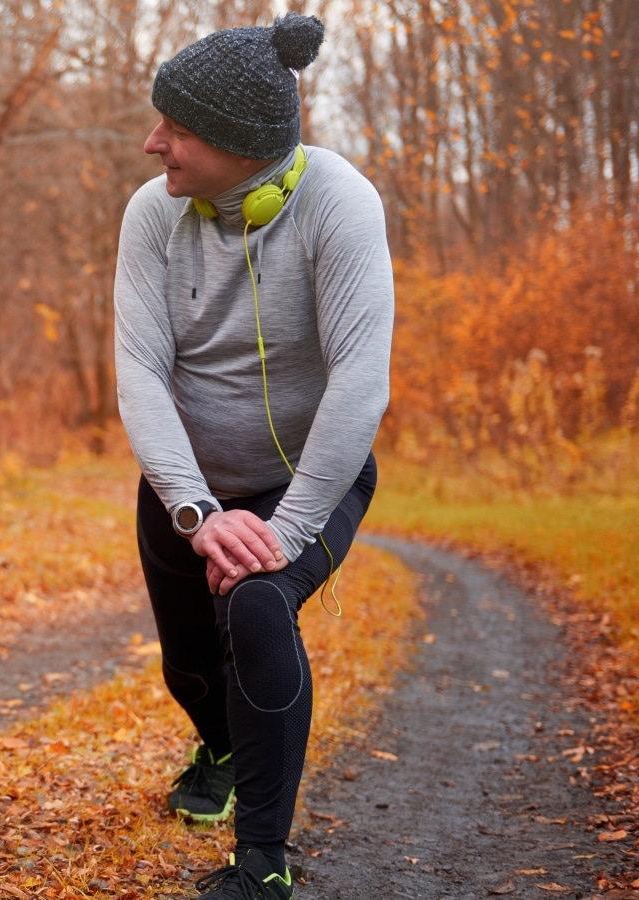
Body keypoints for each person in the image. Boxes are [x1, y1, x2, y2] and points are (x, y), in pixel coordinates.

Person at [113, 12, 393, 899]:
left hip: (307, 485)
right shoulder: (151, 215)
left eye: (178, 130)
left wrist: (284, 533)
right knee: (189, 664)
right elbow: (140, 372)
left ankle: (262, 863)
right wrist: (195, 511)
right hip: (184, 488)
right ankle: (223, 747)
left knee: (260, 611)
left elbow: (359, 381)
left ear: (243, 147)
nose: (153, 143)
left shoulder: (340, 204)